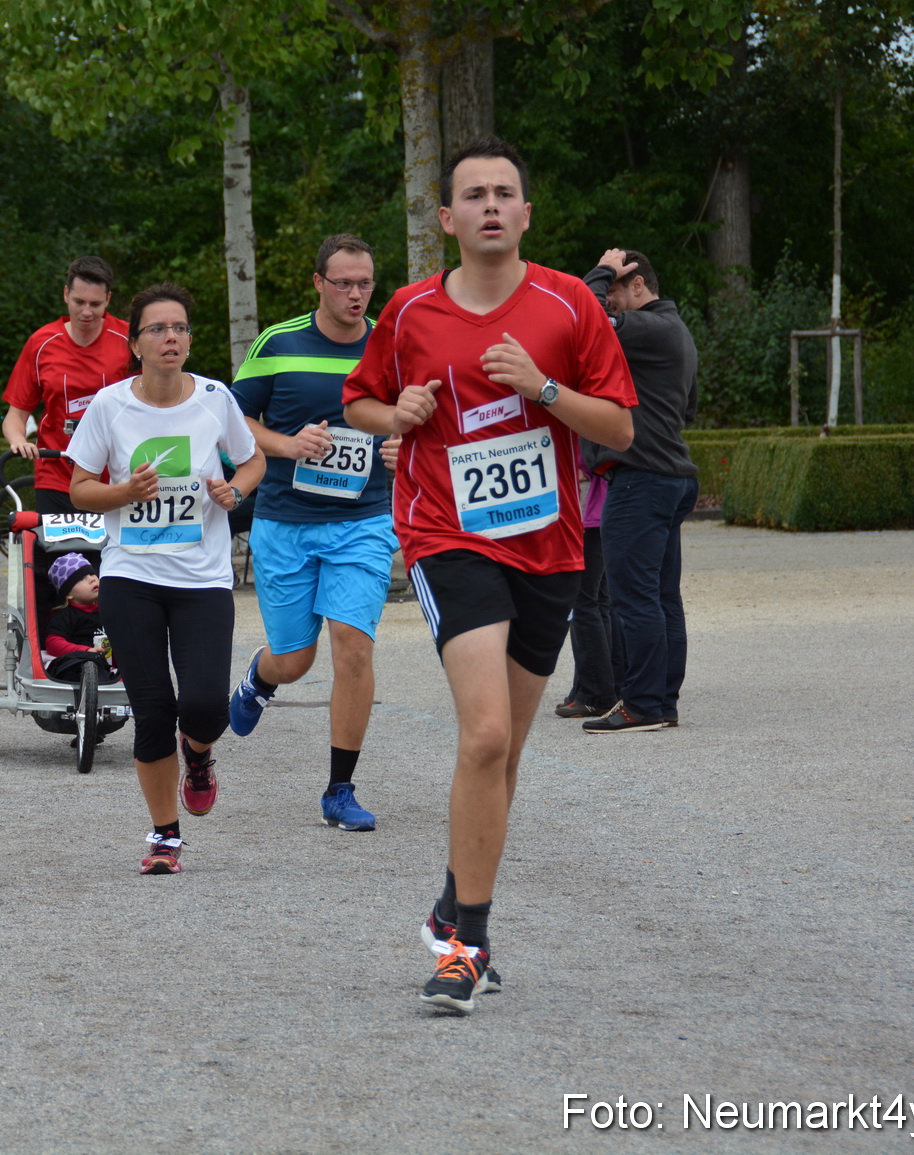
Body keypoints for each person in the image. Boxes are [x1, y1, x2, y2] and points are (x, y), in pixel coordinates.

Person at [343, 135, 636, 1013]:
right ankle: (465, 945)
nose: (491, 206)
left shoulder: (570, 303)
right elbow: (360, 400)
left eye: (505, 192)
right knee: (483, 736)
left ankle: (451, 895)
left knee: (504, 749)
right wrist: (394, 411)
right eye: (473, 195)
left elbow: (619, 430)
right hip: (447, 534)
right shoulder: (407, 312)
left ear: (527, 211)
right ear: (447, 218)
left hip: (548, 548)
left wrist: (545, 389)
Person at [64, 283, 264, 874]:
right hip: (132, 576)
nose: (171, 337)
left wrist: (236, 489)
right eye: (158, 329)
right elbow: (79, 487)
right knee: (153, 709)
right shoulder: (109, 406)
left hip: (201, 578)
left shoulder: (214, 398)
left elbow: (251, 459)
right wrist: (123, 492)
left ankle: (197, 753)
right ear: (135, 344)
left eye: (180, 328)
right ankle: (165, 837)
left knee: (204, 705)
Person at [227, 233, 395, 832]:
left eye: (365, 282)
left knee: (354, 648)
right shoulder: (278, 342)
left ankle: (339, 790)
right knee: (296, 660)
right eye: (344, 282)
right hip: (286, 522)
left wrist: (404, 446)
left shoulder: (391, 343)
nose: (356, 293)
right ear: (318, 283)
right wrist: (286, 444)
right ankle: (259, 676)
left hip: (364, 522)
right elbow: (233, 419)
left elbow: (416, 418)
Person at [577, 250, 699, 733]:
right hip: (669, 475)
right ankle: (660, 701)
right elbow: (688, 411)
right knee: (663, 596)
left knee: (634, 598)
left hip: (642, 478)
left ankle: (644, 704)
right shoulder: (678, 333)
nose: (610, 298)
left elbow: (584, 321)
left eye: (616, 289)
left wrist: (599, 270)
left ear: (639, 285)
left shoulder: (649, 328)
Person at [3, 256, 131, 514]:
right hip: (56, 474)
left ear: (108, 299)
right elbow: (15, 415)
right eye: (79, 302)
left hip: (115, 479)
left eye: (95, 304)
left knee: (109, 556)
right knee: (58, 555)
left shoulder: (129, 340)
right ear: (65, 295)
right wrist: (18, 440)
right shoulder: (41, 343)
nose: (86, 312)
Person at [553, 459, 616, 718]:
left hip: (587, 510)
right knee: (599, 601)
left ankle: (595, 694)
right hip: (599, 508)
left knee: (583, 602)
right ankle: (590, 689)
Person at [43, 552, 116, 685]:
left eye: (92, 574)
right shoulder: (65, 615)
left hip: (107, 662)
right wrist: (86, 651)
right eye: (82, 578)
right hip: (78, 662)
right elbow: (53, 643)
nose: (92, 579)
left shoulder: (108, 609)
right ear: (69, 594)